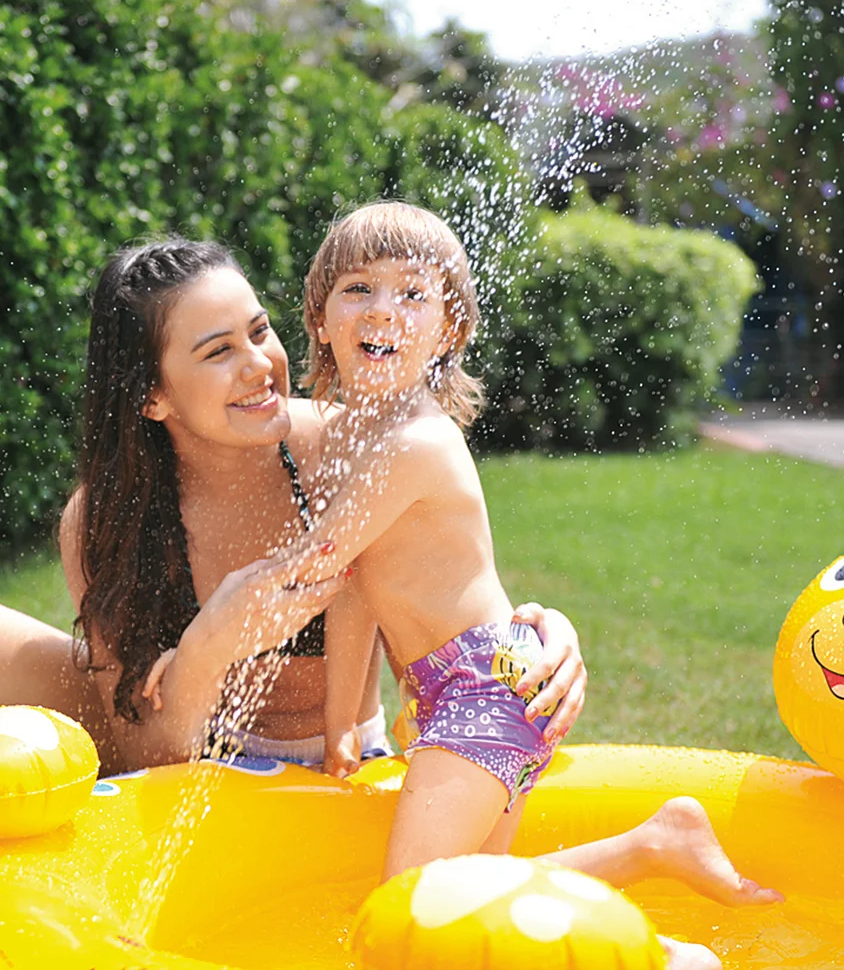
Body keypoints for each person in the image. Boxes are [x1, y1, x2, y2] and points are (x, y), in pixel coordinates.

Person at [260, 203, 781, 967]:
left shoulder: (417, 441)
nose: (383, 310)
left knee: (409, 906)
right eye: (358, 288)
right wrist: (342, 724)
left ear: (449, 331)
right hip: (468, 687)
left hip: (485, 687)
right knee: (482, 903)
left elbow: (321, 561)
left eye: (413, 294)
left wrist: (223, 625)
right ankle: (659, 902)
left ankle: (654, 895)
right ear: (320, 317)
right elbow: (354, 588)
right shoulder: (354, 437)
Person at [3, 237, 586, 775]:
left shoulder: (343, 449)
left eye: (259, 332)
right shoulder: (107, 520)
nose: (260, 364)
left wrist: (534, 636)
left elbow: (447, 594)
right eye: (219, 352)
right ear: (153, 396)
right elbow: (143, 756)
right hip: (200, 767)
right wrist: (208, 647)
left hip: (343, 764)